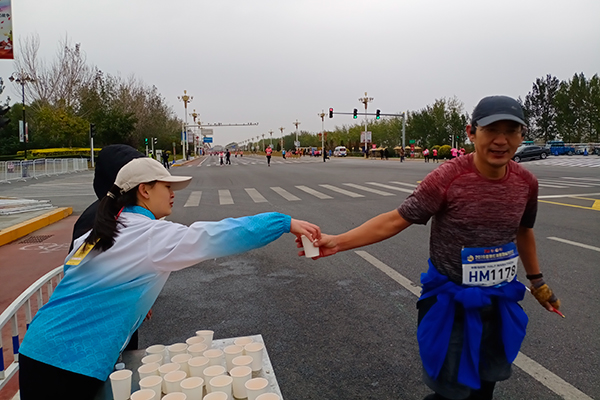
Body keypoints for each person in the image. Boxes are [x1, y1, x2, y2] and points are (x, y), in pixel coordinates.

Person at [306, 95, 560, 400]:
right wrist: (338, 241)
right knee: (450, 393)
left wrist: (538, 283)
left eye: (511, 131)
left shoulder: (526, 183)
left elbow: (524, 231)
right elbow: (395, 220)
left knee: (485, 388)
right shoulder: (447, 177)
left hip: (500, 302)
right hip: (450, 305)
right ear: (471, 132)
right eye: (492, 130)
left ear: (521, 136)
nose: (501, 140)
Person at [19, 157, 321, 400]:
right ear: (144, 190)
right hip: (69, 365)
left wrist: (134, 298)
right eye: (166, 186)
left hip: (38, 351)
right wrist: (283, 222)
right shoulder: (148, 234)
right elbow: (219, 235)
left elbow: (74, 274)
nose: (173, 193)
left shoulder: (99, 232)